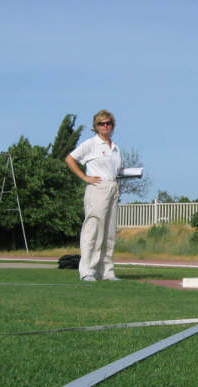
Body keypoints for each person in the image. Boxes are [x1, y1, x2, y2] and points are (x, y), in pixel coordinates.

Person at [65, 110, 122, 282]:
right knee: (93, 229)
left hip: (113, 187)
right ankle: (87, 271)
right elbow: (70, 159)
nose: (105, 126)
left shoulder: (116, 147)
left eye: (108, 123)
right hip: (97, 188)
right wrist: (84, 177)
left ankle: (106, 271)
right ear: (96, 127)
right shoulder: (91, 144)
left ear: (113, 125)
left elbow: (115, 170)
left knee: (109, 232)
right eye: (101, 124)